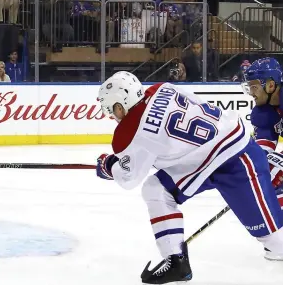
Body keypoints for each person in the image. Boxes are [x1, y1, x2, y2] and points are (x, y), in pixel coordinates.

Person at [95, 71, 283, 284]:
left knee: (275, 243)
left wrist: (108, 167)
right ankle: (176, 261)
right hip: (205, 158)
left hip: (235, 160)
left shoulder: (129, 133)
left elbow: (129, 178)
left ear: (120, 106)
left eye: (111, 110)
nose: (112, 115)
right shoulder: (161, 88)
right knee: (156, 189)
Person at [241, 57, 283, 207]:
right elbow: (263, 149)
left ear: (271, 85)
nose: (251, 93)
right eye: (249, 87)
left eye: (254, 87)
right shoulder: (263, 112)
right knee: (267, 181)